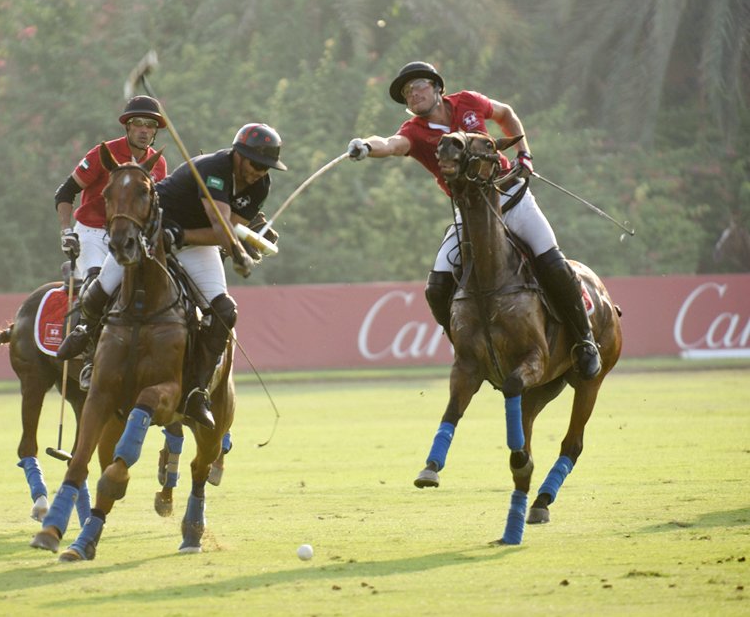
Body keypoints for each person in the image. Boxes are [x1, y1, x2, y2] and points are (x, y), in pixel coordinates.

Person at [346, 61, 601, 380]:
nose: (413, 93)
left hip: (512, 198)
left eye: (419, 85)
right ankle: (467, 352)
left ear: (437, 88)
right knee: (436, 288)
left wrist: (524, 154)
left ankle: (585, 342)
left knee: (552, 263)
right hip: (469, 215)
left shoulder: (467, 101)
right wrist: (366, 146)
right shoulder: (414, 132)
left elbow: (506, 114)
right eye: (407, 91)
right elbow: (390, 144)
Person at [86, 123, 284, 427]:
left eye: (266, 166)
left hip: (192, 243)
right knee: (99, 292)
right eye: (256, 164)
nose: (260, 171)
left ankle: (196, 392)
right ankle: (87, 352)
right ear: (239, 156)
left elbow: (228, 230)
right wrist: (237, 252)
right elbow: (220, 224)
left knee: (224, 311)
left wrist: (183, 236)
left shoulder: (261, 185)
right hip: (150, 234)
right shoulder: (215, 168)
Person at [52, 95, 169, 388]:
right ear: (127, 126)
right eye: (138, 123)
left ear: (155, 130)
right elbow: (65, 192)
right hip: (92, 233)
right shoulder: (102, 154)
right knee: (98, 285)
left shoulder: (158, 164)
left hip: (131, 238)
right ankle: (90, 356)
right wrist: (66, 231)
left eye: (150, 124)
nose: (144, 129)